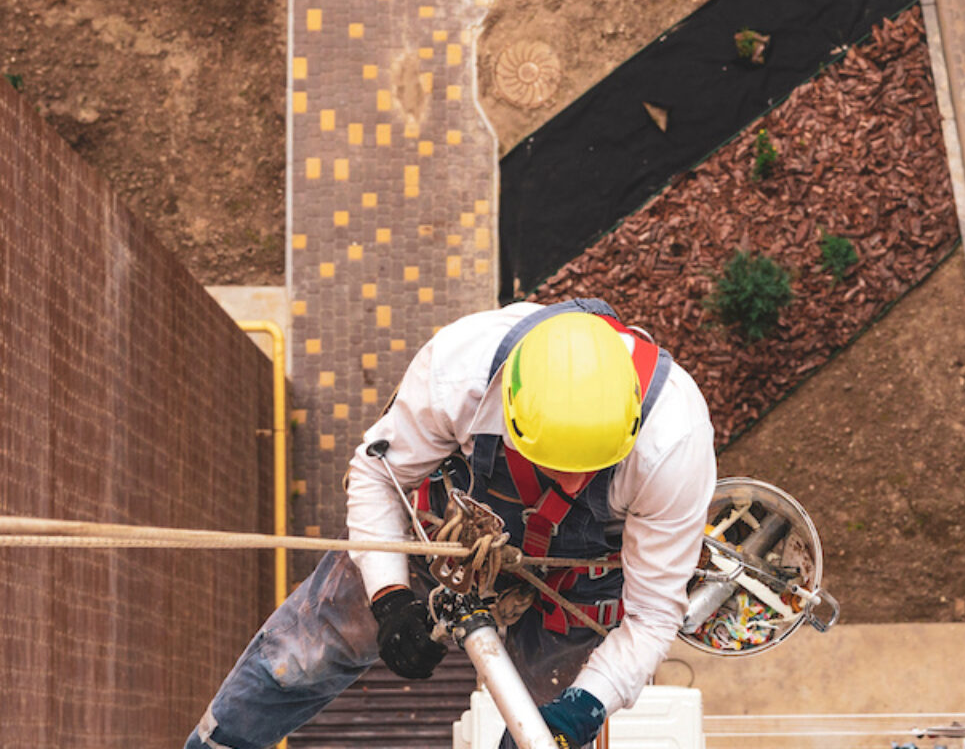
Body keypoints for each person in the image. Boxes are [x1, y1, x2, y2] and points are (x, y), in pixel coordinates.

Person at [185, 298, 717, 749]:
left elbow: (650, 617)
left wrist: (583, 707)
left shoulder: (673, 443)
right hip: (452, 526)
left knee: (544, 723)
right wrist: (390, 597)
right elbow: (376, 475)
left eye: (593, 466)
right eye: (558, 464)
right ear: (511, 413)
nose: (574, 485)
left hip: (583, 569)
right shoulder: (460, 373)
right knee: (304, 653)